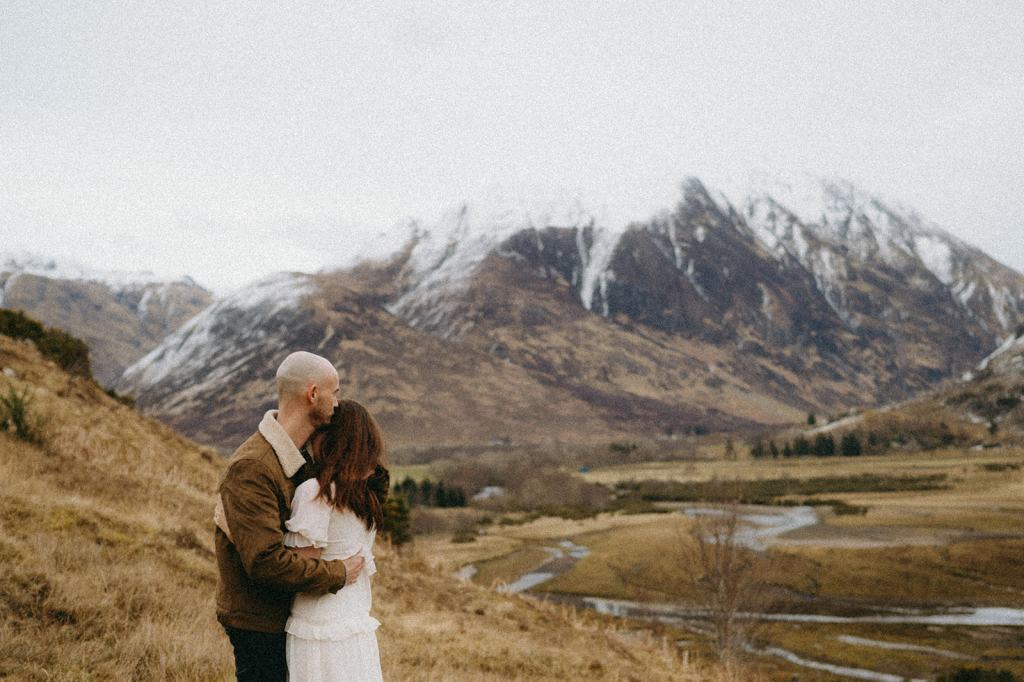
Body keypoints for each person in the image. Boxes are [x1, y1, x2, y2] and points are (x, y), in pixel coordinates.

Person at [214, 351, 365, 682]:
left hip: (286, 615)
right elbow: (265, 562)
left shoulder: (299, 456)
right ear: (313, 394)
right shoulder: (254, 466)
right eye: (334, 392)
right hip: (259, 622)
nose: (338, 403)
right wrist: (338, 573)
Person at [284, 399, 390, 682]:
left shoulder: (315, 492)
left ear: (332, 440)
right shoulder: (365, 495)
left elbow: (299, 570)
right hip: (355, 624)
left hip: (319, 627)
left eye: (318, 431)